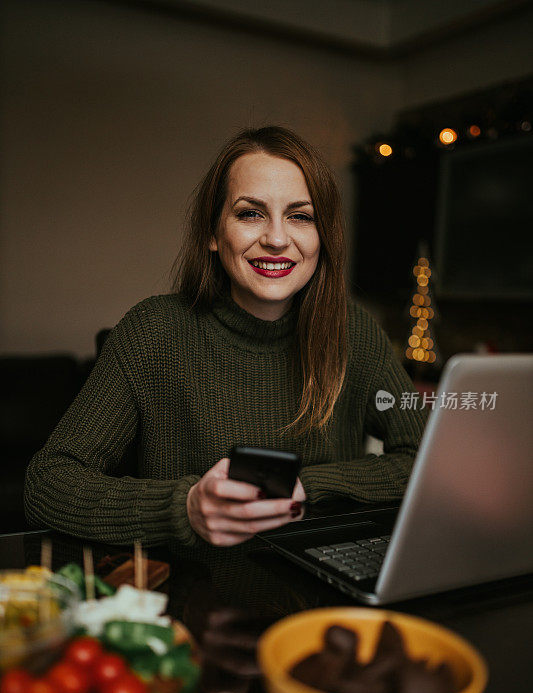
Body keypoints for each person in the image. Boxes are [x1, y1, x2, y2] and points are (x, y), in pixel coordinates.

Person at [24, 126, 429, 560]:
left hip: (321, 590)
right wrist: (186, 508)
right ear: (213, 234)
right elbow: (48, 483)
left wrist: (308, 487)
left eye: (300, 216)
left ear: (322, 236)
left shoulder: (354, 330)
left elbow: (427, 461)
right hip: (195, 596)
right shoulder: (154, 331)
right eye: (250, 213)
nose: (276, 239)